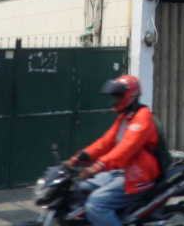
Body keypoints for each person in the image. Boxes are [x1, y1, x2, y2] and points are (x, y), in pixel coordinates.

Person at [66, 75, 161, 226]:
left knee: (96, 204)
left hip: (138, 176)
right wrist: (79, 158)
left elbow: (126, 149)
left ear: (130, 96)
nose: (115, 101)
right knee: (80, 188)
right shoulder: (124, 118)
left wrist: (97, 167)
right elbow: (105, 143)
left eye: (118, 97)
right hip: (120, 172)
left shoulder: (143, 118)